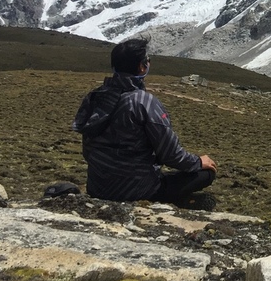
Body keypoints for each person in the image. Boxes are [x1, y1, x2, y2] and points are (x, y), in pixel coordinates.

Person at [73, 38, 217, 205]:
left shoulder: (95, 96)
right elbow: (170, 154)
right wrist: (199, 162)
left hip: (97, 187)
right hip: (138, 190)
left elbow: (87, 150)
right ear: (142, 67)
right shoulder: (144, 102)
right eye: (148, 60)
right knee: (206, 173)